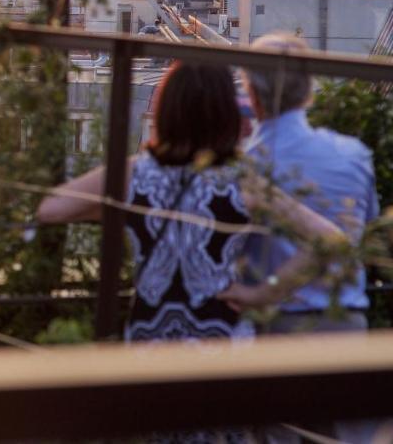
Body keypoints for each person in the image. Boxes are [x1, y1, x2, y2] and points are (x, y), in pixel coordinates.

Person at [37, 60, 343, 343]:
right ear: (225, 112)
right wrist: (264, 292)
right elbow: (330, 239)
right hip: (221, 339)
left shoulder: (135, 173)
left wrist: (127, 213)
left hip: (150, 338)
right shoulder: (241, 180)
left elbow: (50, 208)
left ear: (166, 110)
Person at [230, 32, 380, 335]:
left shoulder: (243, 167)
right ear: (308, 92)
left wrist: (265, 290)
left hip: (276, 327)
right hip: (348, 325)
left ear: (252, 94)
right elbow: (366, 236)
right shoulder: (354, 155)